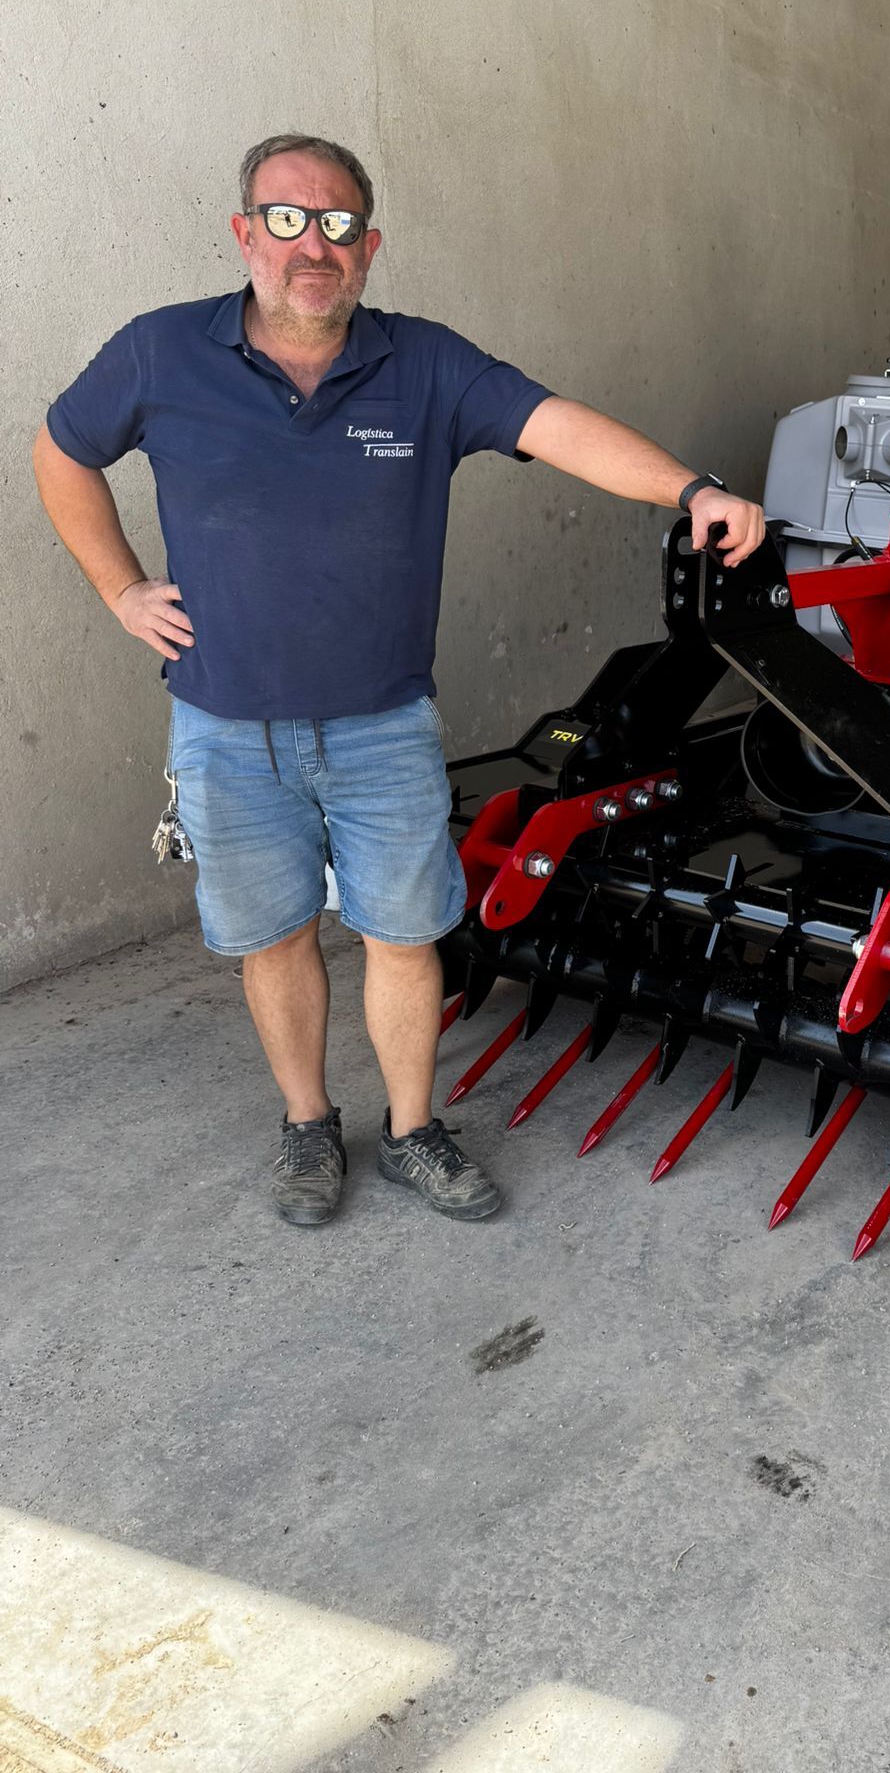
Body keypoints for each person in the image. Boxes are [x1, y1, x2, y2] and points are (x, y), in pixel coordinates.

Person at [33, 133, 765, 1230]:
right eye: (287, 219)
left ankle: (414, 1129)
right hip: (225, 726)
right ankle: (308, 1120)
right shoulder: (158, 353)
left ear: (368, 247)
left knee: (404, 935)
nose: (312, 244)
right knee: (273, 937)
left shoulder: (424, 365)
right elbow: (61, 450)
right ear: (245, 234)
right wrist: (122, 588)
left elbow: (557, 425)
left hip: (382, 725)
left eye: (337, 224)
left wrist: (690, 489)